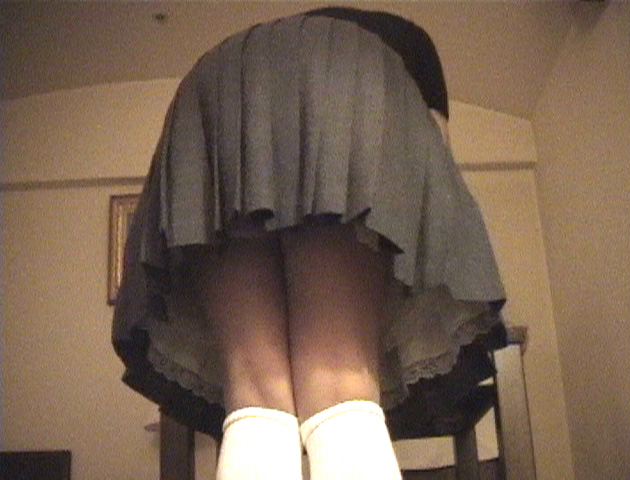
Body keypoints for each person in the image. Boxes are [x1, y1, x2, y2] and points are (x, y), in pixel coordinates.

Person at [112, 7, 506, 480]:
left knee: (256, 397)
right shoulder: (408, 55)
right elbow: (432, 164)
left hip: (216, 90)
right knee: (340, 383)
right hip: (349, 78)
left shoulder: (269, 51)